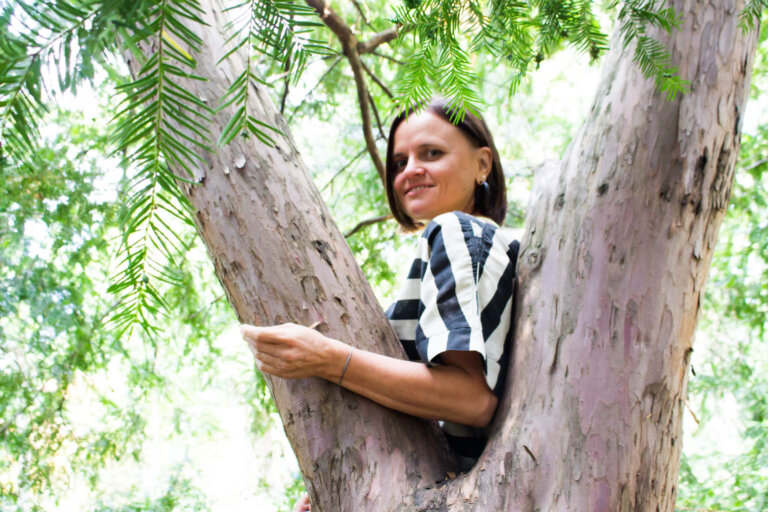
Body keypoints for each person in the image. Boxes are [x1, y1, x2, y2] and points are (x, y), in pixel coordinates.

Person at [240, 99, 519, 512]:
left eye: (432, 153)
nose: (409, 171)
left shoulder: (457, 231)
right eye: (399, 163)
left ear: (483, 165)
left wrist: (329, 360)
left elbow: (471, 400)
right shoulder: (465, 244)